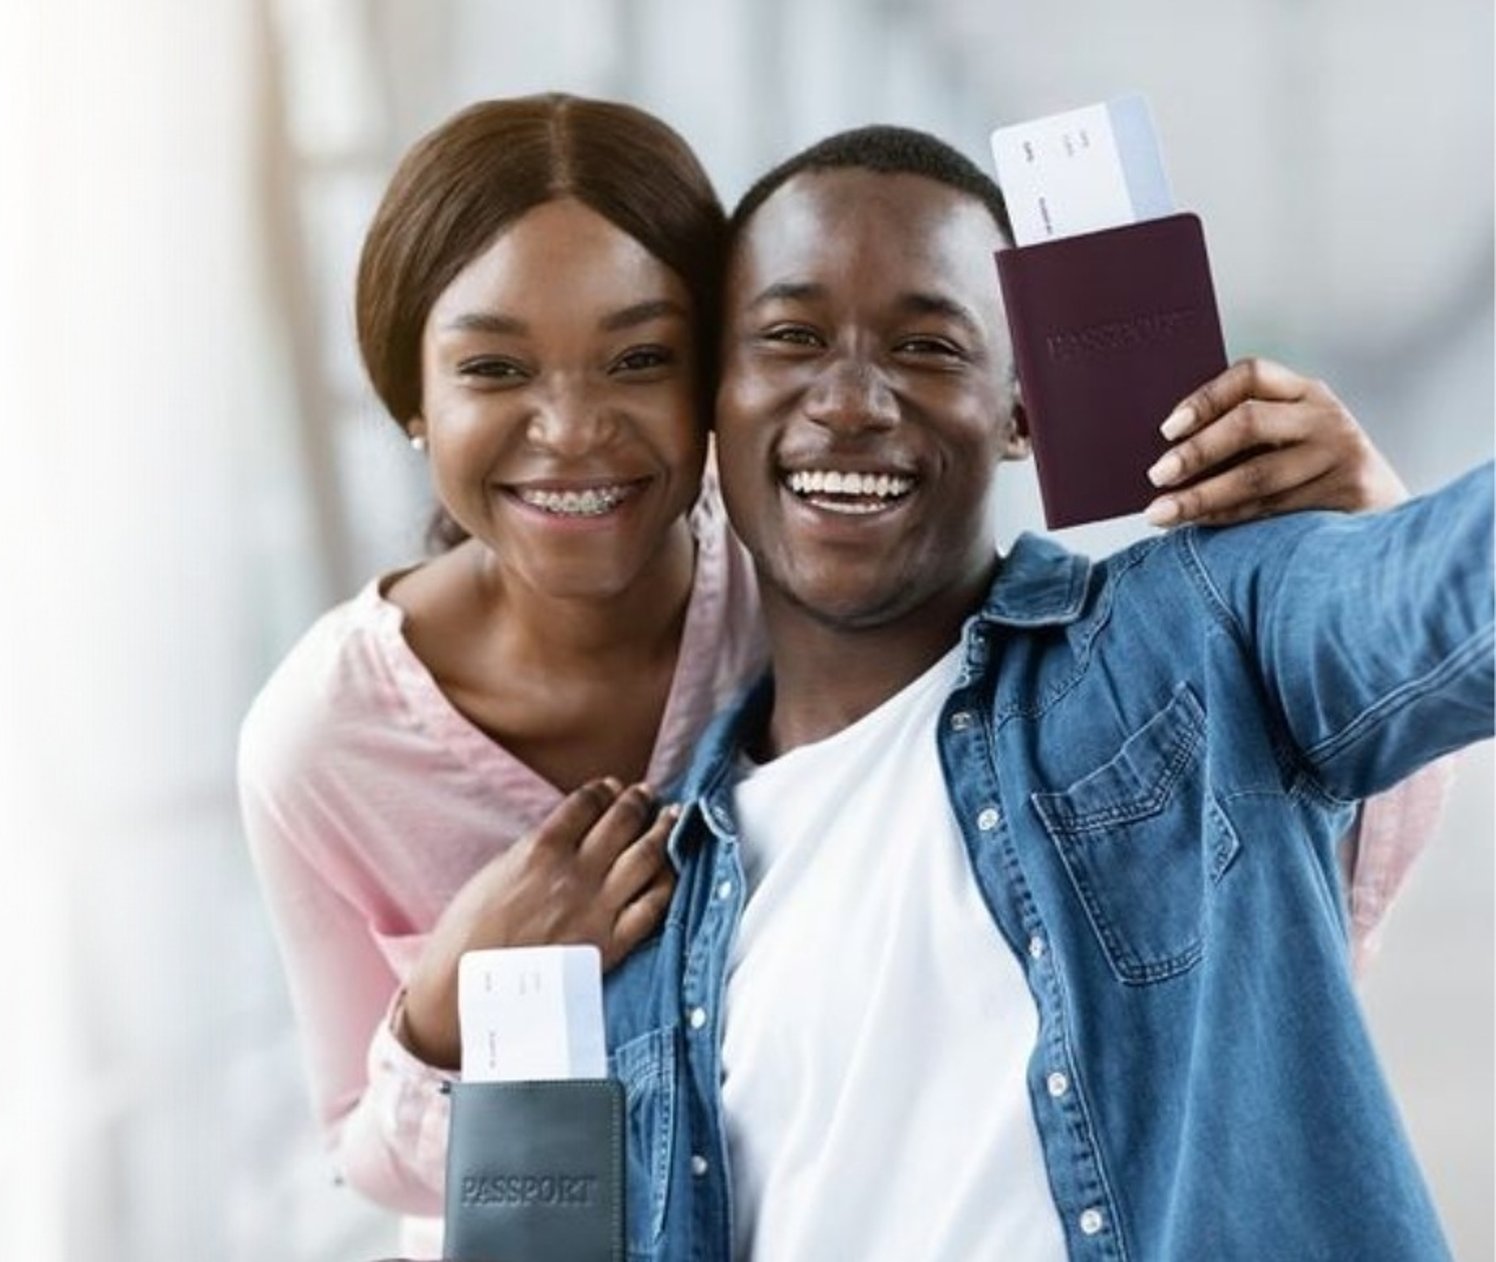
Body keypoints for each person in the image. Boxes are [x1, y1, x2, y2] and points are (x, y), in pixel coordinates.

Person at [236, 96, 1434, 1255]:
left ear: (705, 386)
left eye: (638, 358)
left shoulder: (811, 570)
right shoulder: (327, 738)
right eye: (495, 370)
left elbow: (1275, 785)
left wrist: (1354, 529)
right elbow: (368, 1154)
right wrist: (456, 991)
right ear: (409, 398)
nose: (573, 427)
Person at [598, 124, 1494, 1262]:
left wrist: (1378, 521)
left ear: (1024, 409)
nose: (854, 400)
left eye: (926, 347)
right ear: (713, 402)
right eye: (790, 337)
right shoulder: (642, 901)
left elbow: (1445, 598)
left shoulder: (1185, 636)